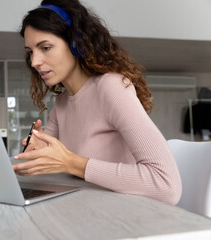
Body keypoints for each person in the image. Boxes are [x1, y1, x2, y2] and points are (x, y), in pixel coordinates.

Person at [12, 0, 182, 205]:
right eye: (31, 51)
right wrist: (34, 155)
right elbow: (48, 170)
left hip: (128, 218)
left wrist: (70, 163)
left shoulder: (111, 87)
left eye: (45, 47)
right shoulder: (62, 103)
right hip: (92, 210)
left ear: (76, 44)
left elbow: (167, 185)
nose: (34, 61)